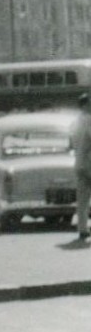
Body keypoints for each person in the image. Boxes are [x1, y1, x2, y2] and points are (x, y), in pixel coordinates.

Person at [74, 92, 91, 240]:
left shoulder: (75, 121)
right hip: (89, 161)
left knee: (82, 199)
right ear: (86, 104)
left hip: (79, 162)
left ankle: (82, 228)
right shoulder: (88, 120)